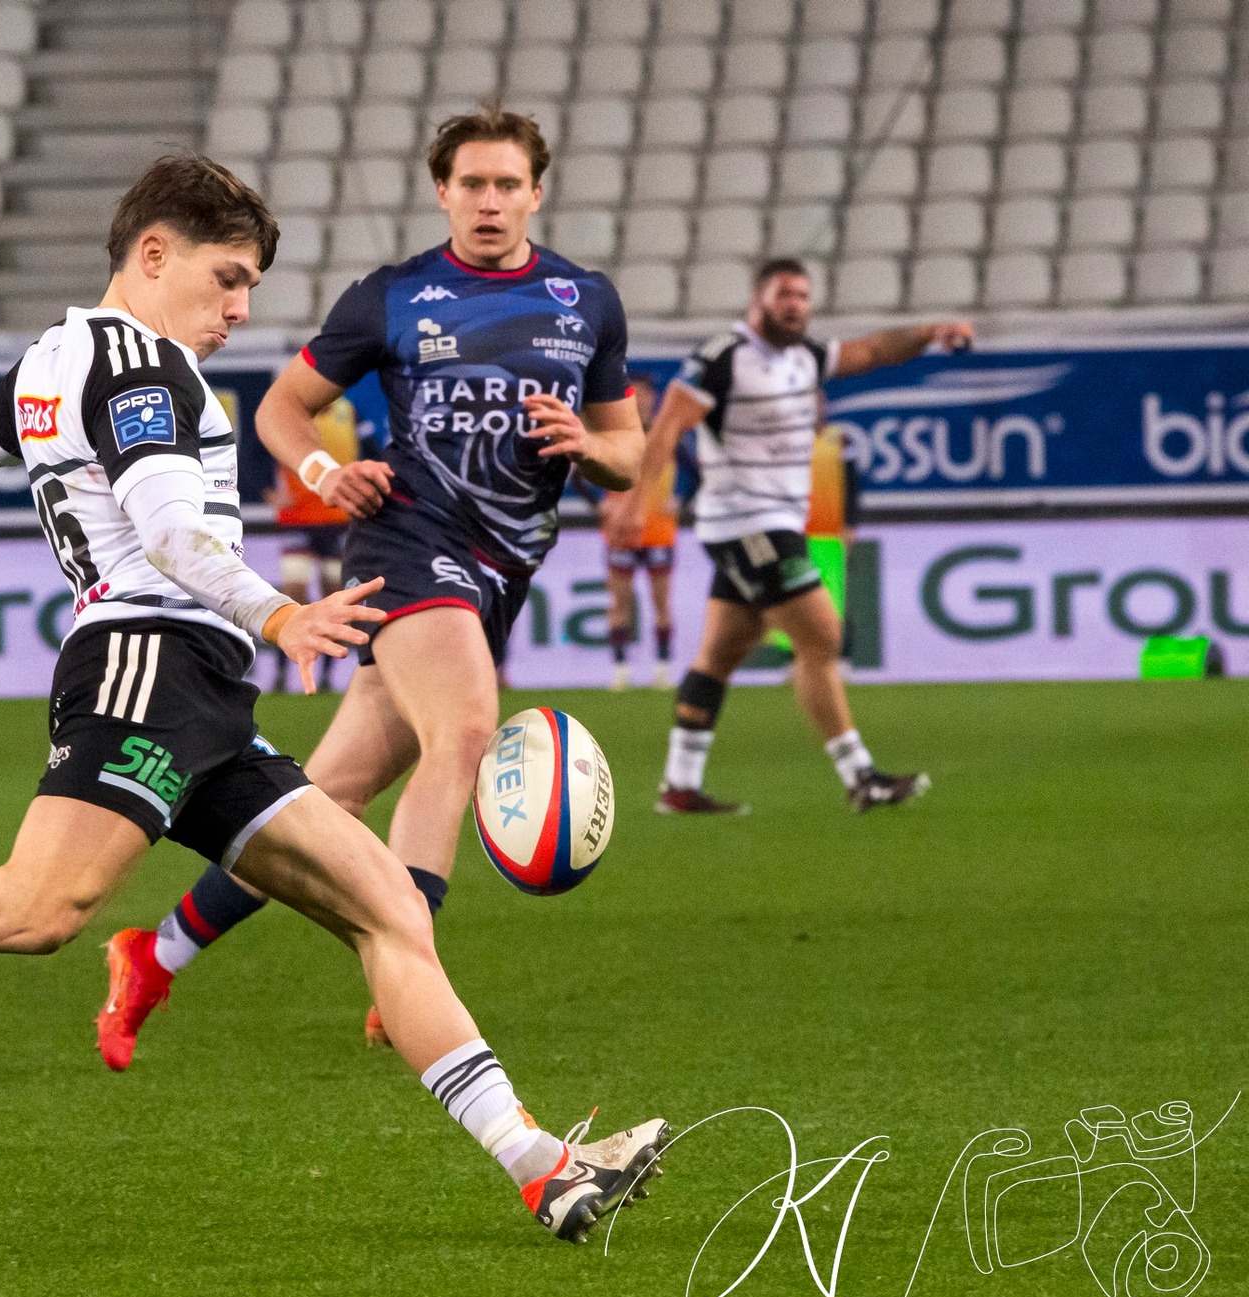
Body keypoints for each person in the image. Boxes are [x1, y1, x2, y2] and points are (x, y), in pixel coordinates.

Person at [0, 156, 670, 1243]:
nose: (240, 309)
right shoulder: (140, 369)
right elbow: (164, 529)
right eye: (227, 279)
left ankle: (542, 1167)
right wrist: (278, 614)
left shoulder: (56, 361)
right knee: (33, 909)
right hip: (146, 663)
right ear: (152, 255)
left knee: (387, 908)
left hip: (195, 686)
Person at [91, 107, 644, 1067]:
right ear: (442, 191)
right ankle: (411, 967)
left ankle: (155, 951)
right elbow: (282, 411)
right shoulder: (395, 297)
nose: (488, 200)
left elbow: (629, 455)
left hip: (500, 570)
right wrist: (323, 475)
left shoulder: (586, 303)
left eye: (507, 184)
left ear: (536, 193)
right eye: (470, 183)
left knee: (326, 797)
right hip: (409, 542)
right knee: (467, 730)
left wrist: (587, 446)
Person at [625, 258, 972, 815]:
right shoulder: (724, 357)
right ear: (757, 299)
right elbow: (666, 427)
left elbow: (872, 352)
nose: (796, 305)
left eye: (804, 296)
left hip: (773, 522)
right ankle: (862, 776)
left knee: (721, 653)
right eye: (784, 294)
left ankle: (679, 785)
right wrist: (636, 507)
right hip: (745, 522)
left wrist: (930, 334)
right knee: (821, 637)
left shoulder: (805, 358)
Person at [262, 395, 357, 692]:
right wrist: (266, 490)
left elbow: (372, 451)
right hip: (298, 520)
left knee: (333, 599)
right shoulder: (288, 411)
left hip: (337, 518)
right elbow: (256, 451)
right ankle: (279, 675)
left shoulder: (348, 411)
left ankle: (326, 677)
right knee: (293, 593)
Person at [598, 374, 679, 692]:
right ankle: (620, 670)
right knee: (619, 602)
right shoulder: (615, 436)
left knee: (661, 602)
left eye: (647, 396)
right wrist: (600, 505)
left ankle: (663, 668)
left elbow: (696, 471)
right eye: (636, 396)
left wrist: (680, 501)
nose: (642, 403)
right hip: (620, 533)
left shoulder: (666, 436)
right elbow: (580, 473)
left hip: (658, 531)